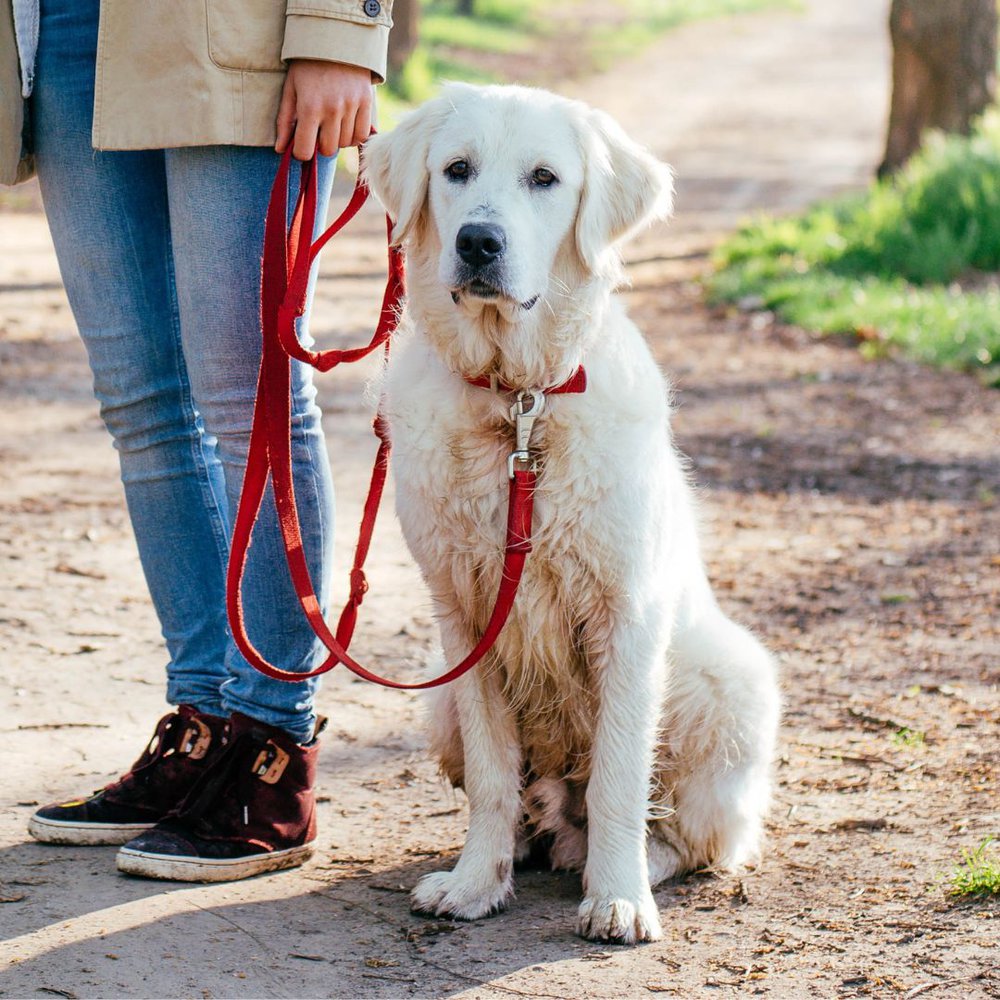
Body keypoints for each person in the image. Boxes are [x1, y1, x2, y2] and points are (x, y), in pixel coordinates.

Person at [0, 0, 391, 882]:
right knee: (141, 404)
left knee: (250, 399)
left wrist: (339, 30)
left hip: (233, 28)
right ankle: (203, 725)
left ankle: (271, 751)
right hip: (65, 30)